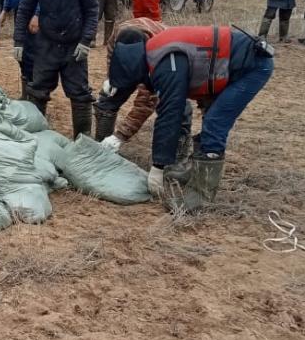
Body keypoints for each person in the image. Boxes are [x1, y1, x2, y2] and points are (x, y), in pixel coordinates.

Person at [103, 25, 274, 211]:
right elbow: (201, 74)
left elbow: (171, 112)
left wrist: (158, 166)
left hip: (252, 65)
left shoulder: (165, 62)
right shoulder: (155, 52)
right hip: (233, 63)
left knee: (215, 122)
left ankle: (201, 197)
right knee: (211, 115)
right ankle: (195, 172)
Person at [14, 0, 99, 138]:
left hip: (74, 45)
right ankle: (35, 135)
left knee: (80, 95)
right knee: (37, 91)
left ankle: (83, 139)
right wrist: (19, 41)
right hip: (46, 44)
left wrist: (86, 41)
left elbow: (92, 10)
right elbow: (24, 10)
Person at [94, 17, 193, 154]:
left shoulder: (159, 54)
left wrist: (121, 136)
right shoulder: (118, 34)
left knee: (177, 108)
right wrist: (112, 78)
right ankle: (101, 146)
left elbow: (146, 103)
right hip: (144, 51)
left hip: (173, 66)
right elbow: (112, 55)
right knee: (108, 98)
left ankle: (178, 157)